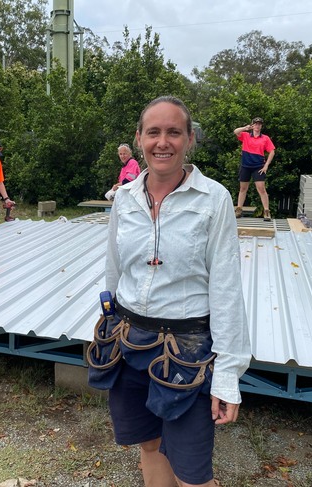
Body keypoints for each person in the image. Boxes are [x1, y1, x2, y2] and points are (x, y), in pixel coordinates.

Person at [98, 96, 251, 487]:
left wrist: (228, 374)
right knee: (149, 445)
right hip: (129, 343)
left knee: (192, 473)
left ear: (189, 139)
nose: (162, 142)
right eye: (153, 132)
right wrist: (108, 326)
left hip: (187, 353)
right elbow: (114, 270)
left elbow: (227, 288)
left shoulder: (213, 199)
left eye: (174, 132)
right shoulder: (125, 199)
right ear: (139, 138)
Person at [233, 117, 275, 221]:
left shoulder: (265, 138)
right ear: (252, 125)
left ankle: (266, 211)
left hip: (258, 167)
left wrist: (266, 165)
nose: (257, 126)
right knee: (243, 188)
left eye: (259, 124)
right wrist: (245, 128)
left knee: (261, 189)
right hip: (245, 166)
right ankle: (239, 209)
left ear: (261, 126)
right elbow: (236, 132)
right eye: (256, 124)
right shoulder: (246, 135)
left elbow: (272, 151)